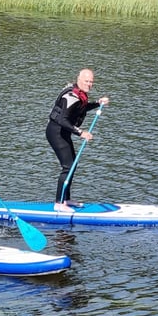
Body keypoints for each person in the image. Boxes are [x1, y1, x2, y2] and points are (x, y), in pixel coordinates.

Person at [46, 69, 109, 211]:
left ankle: (66, 199)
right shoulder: (71, 96)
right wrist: (81, 132)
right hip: (56, 133)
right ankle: (59, 203)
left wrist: (98, 103)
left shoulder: (79, 94)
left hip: (63, 132)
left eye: (91, 81)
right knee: (67, 166)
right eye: (86, 81)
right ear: (79, 80)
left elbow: (82, 108)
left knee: (72, 165)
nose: (89, 84)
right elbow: (62, 120)